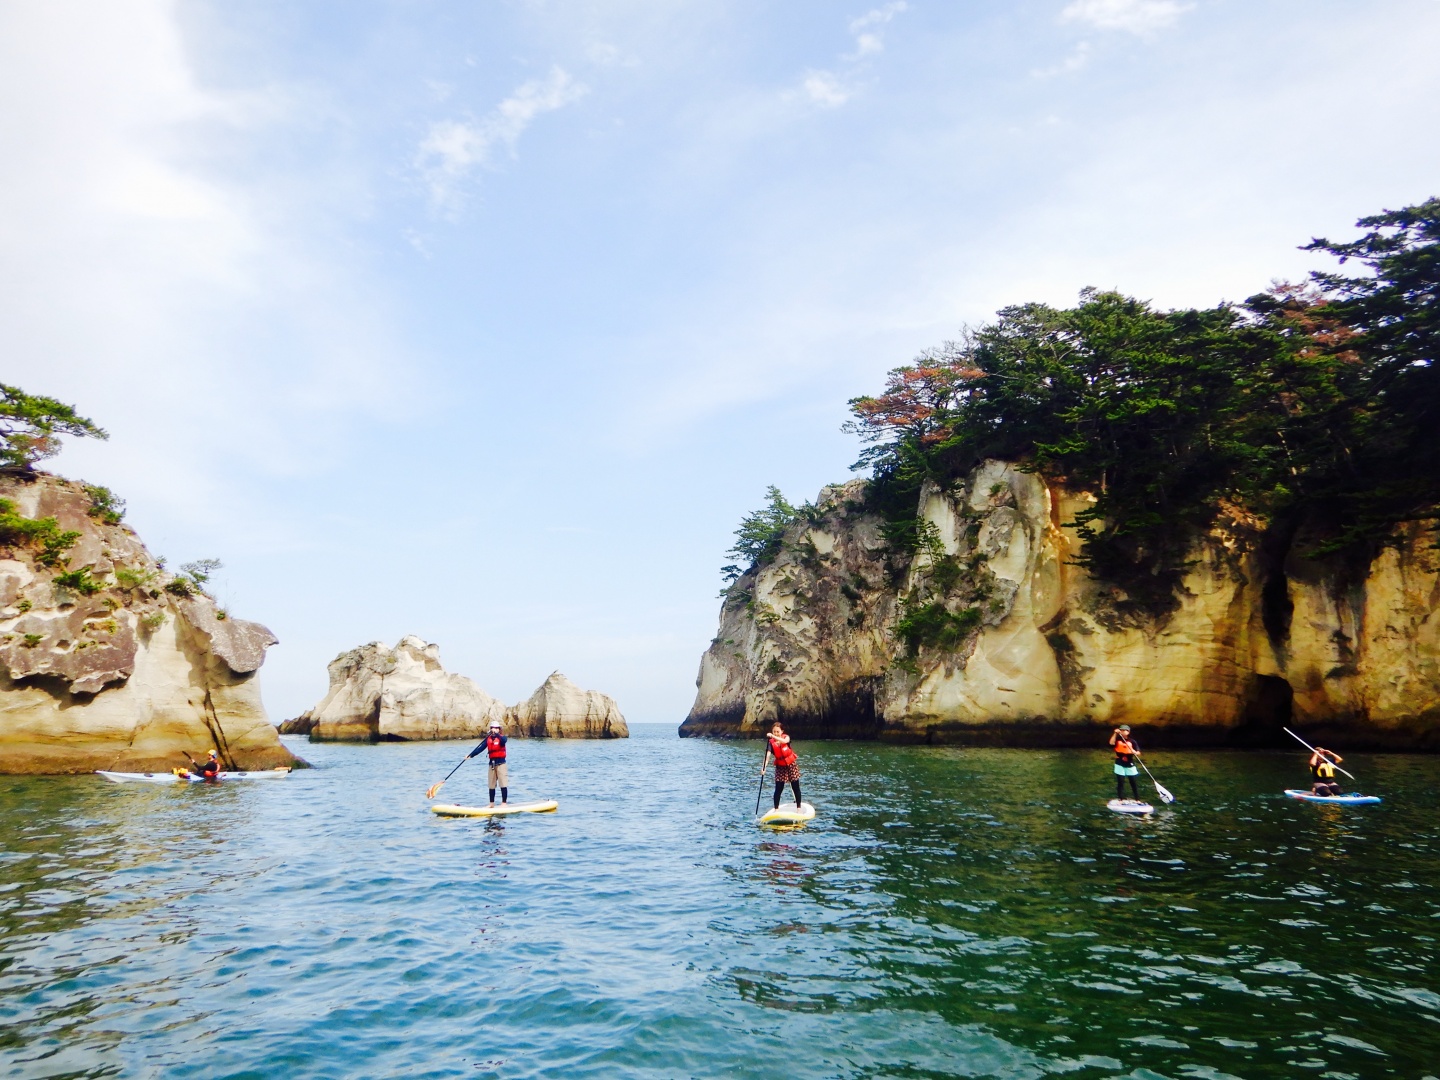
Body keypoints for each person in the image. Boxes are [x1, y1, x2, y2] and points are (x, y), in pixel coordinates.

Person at [467, 721, 508, 807]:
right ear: (490, 729)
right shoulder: (488, 739)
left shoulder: (502, 737)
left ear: (499, 729)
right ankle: (491, 803)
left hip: (501, 764)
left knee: (503, 783)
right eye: (493, 727)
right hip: (492, 764)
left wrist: (496, 734)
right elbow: (480, 749)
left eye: (497, 728)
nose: (495, 729)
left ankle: (504, 803)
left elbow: (504, 741)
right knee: (491, 784)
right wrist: (471, 755)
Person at [766, 722, 802, 811]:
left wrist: (773, 736)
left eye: (778, 731)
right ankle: (776, 809)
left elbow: (785, 741)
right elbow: (768, 755)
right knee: (778, 788)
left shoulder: (786, 737)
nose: (776, 733)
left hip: (791, 765)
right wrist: (764, 767)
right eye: (774, 732)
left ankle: (798, 808)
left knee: (795, 787)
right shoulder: (771, 743)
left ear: (782, 731)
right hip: (780, 766)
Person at [1109, 725, 1141, 802]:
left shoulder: (1132, 741)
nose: (1122, 731)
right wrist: (1115, 733)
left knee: (1133, 782)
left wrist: (1135, 752)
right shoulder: (1117, 739)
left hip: (1130, 763)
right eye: (1121, 730)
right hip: (1119, 763)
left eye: (1124, 730)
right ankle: (1121, 799)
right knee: (1121, 782)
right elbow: (1111, 743)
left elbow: (1138, 752)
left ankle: (1137, 799)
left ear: (1128, 732)